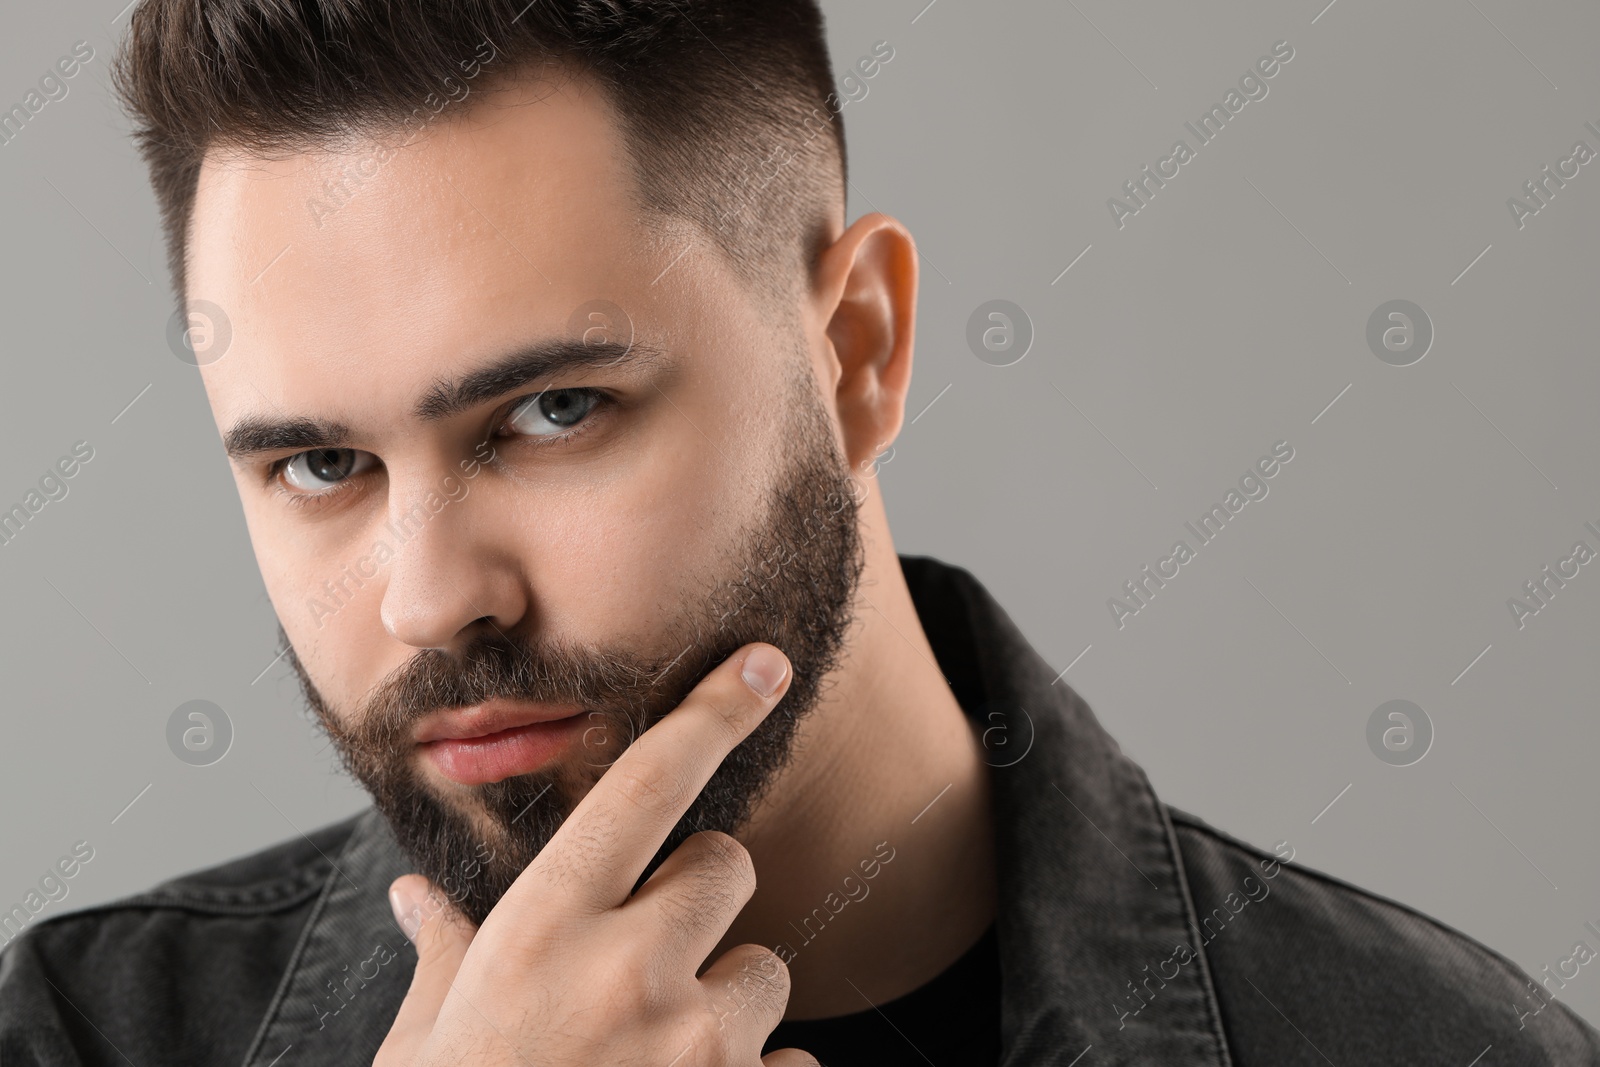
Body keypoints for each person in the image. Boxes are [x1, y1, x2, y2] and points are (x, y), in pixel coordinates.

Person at [1, 2, 1595, 1064]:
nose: (430, 599)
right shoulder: (79, 1038)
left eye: (553, 414)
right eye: (322, 466)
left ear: (855, 354)